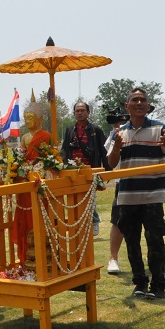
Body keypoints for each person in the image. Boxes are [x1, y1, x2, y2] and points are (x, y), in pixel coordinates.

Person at [106, 88, 165, 299]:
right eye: (135, 100)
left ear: (149, 105)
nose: (139, 103)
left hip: (153, 195)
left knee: (155, 240)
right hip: (128, 197)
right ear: (127, 106)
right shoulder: (118, 133)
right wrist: (117, 147)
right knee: (132, 242)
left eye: (143, 100)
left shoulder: (160, 129)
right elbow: (111, 163)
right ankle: (140, 282)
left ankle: (158, 285)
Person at [61, 100, 108, 236]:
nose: (80, 113)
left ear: (88, 112)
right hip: (73, 171)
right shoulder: (70, 130)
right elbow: (64, 149)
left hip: (90, 170)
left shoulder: (95, 130)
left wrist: (107, 169)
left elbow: (104, 150)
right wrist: (63, 166)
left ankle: (95, 220)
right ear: (74, 113)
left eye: (82, 110)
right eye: (77, 111)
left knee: (90, 197)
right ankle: (80, 226)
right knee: (76, 199)